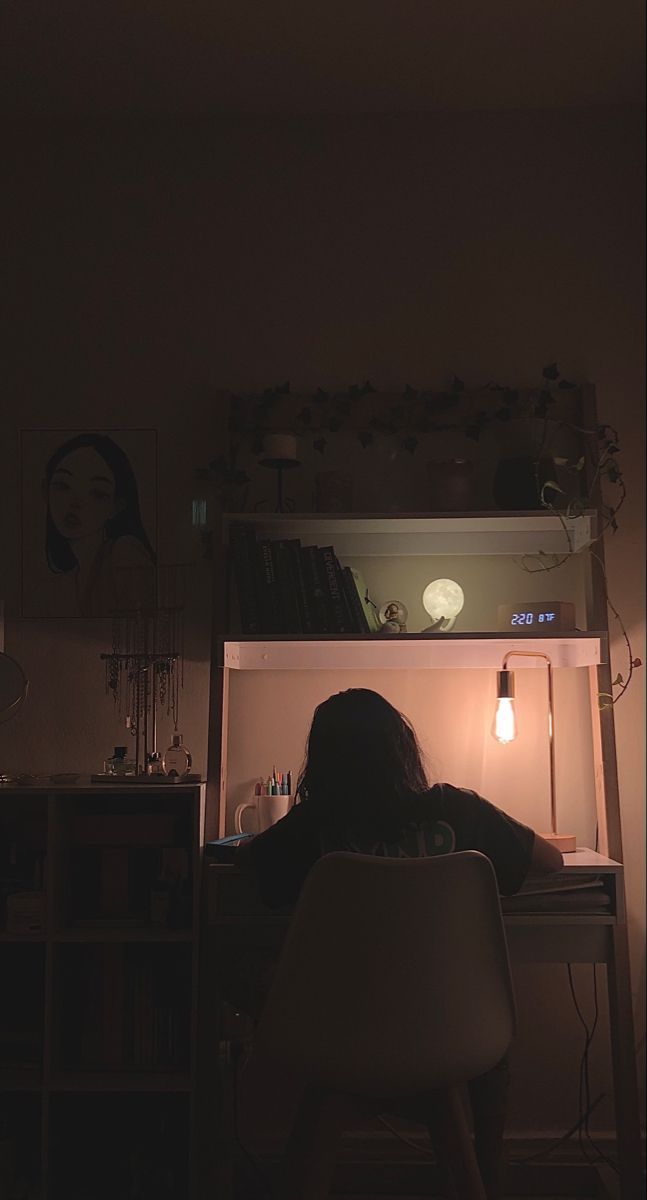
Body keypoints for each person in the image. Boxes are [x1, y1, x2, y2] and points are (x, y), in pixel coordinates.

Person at [235, 687, 563, 1197]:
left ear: (320, 760)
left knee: (242, 972)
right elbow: (550, 862)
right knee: (490, 1046)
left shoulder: (312, 827)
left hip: (336, 1031)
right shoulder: (459, 812)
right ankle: (490, 1174)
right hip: (451, 1028)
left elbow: (248, 873)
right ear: (403, 749)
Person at [42, 432, 156, 616]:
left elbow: (143, 628)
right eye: (63, 486)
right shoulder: (67, 582)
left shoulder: (125, 552)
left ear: (117, 506)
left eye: (96, 493)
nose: (75, 503)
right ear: (45, 491)